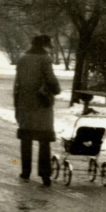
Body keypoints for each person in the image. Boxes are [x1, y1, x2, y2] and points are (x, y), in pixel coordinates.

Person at [14, 35, 61, 186]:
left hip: (24, 103)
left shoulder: (22, 59)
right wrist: (56, 90)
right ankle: (45, 175)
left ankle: (25, 172)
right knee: (44, 139)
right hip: (41, 105)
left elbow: (17, 83)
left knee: (26, 138)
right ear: (45, 45)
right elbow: (51, 80)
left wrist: (17, 104)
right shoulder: (45, 59)